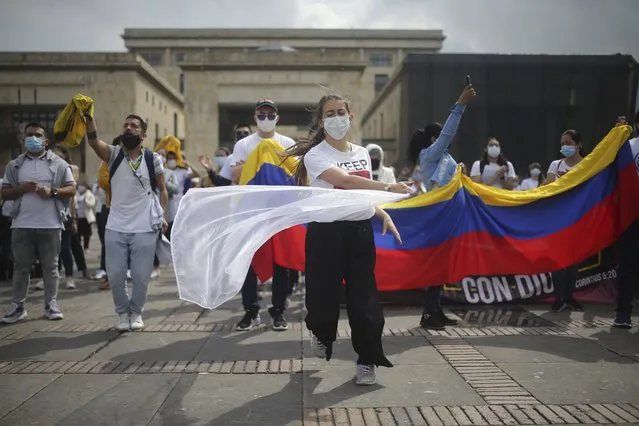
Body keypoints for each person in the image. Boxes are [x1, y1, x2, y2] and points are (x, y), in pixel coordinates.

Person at [285, 93, 412, 385]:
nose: (337, 118)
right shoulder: (316, 155)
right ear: (321, 121)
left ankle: (367, 359)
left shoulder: (362, 153)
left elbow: (358, 193)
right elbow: (343, 182)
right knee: (323, 302)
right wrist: (388, 186)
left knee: (364, 301)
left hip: (358, 232)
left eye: (341, 112)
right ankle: (321, 331)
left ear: (350, 116)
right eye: (329, 113)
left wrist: (381, 213)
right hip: (326, 234)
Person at [84, 113, 168, 331]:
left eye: (134, 126)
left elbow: (163, 189)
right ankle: (122, 313)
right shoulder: (113, 155)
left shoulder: (153, 159)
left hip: (145, 227)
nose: (129, 128)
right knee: (115, 274)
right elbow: (93, 141)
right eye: (126, 125)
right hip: (116, 226)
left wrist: (162, 214)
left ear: (143, 134)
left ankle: (136, 312)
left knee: (141, 276)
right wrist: (88, 117)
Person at [407, 84, 476, 330]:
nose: (447, 140)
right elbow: (448, 134)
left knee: (444, 265)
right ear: (435, 139)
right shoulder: (429, 155)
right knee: (437, 266)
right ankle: (428, 314)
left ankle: (436, 309)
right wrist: (460, 105)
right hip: (439, 217)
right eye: (442, 137)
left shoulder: (444, 159)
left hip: (450, 217)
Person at [230, 101, 297, 332]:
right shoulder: (244, 144)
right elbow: (235, 175)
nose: (266, 117)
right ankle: (251, 311)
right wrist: (260, 159)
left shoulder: (287, 143)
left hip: (279, 212)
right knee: (248, 262)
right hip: (249, 210)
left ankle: (278, 312)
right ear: (255, 116)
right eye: (262, 114)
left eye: (270, 114)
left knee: (282, 264)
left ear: (277, 117)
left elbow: (294, 174)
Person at [1, 123, 76, 323]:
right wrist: (22, 189)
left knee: (51, 268)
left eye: (37, 135)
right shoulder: (15, 165)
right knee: (21, 267)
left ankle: (51, 305)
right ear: (23, 139)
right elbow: (4, 192)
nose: (32, 138)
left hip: (50, 224)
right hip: (21, 224)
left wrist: (52, 191)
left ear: (46, 141)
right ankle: (18, 306)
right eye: (29, 135)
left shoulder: (59, 164)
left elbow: (71, 189)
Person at [544, 129, 585, 313]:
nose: (564, 146)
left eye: (568, 142)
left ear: (578, 145)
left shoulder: (587, 165)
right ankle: (558, 297)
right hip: (557, 217)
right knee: (557, 259)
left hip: (577, 218)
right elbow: (548, 187)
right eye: (562, 143)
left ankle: (569, 296)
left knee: (573, 260)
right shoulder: (556, 164)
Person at [612, 112, 639, 328]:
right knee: (628, 265)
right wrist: (616, 134)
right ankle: (623, 313)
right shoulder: (626, 147)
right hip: (631, 216)